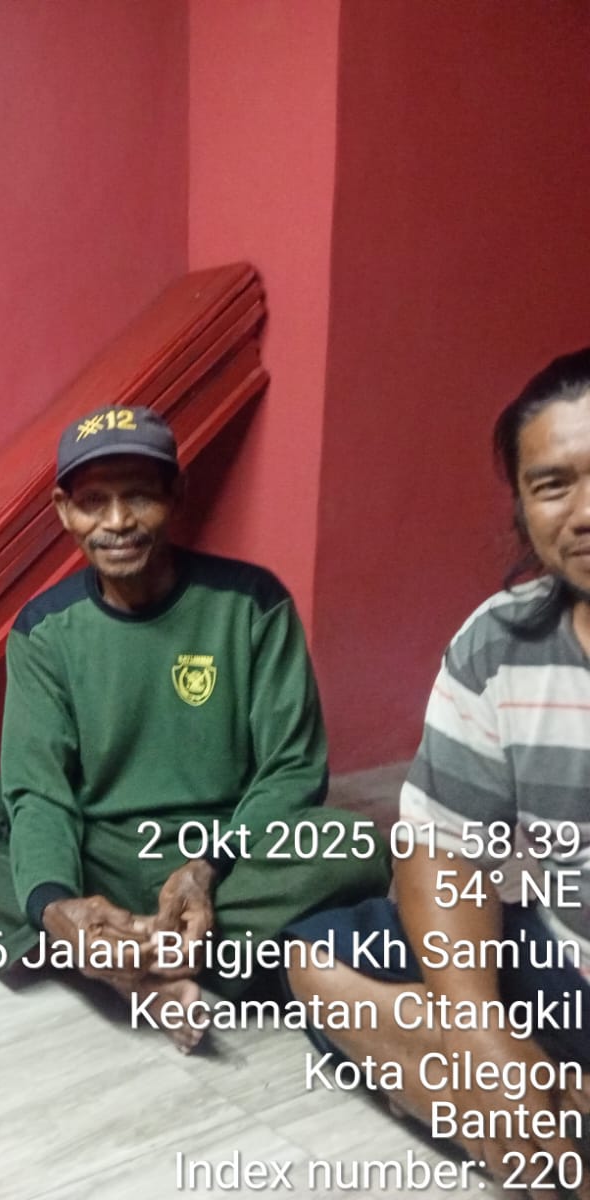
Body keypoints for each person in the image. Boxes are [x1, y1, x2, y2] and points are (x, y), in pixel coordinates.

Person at [0, 405, 389, 1050]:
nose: (117, 522)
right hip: (99, 854)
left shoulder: (253, 603)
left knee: (356, 845)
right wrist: (58, 902)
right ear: (65, 511)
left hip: (225, 858)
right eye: (94, 502)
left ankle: (123, 957)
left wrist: (206, 866)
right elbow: (38, 791)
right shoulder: (45, 629)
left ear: (175, 494)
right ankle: (133, 959)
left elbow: (293, 769)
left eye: (139, 496)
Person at [286, 350, 590, 1191]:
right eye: (553, 484)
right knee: (321, 958)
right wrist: (481, 1034)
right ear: (521, 505)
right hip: (568, 963)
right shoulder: (501, 644)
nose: (585, 512)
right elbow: (442, 850)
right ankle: (537, 1120)